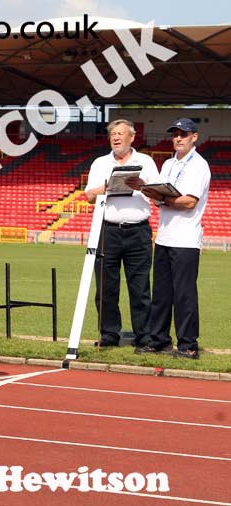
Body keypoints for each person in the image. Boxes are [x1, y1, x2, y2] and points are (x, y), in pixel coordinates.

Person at [137, 118, 211, 359]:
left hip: (186, 239)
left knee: (184, 295)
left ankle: (188, 345)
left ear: (194, 137)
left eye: (183, 134)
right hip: (164, 236)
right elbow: (160, 196)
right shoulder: (168, 163)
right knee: (161, 293)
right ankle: (159, 340)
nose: (178, 138)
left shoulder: (199, 165)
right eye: (175, 134)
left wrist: (164, 199)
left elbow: (189, 202)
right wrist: (151, 192)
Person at [84, 119, 159, 348]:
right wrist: (109, 187)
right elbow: (88, 195)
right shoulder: (100, 163)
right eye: (113, 134)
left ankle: (144, 337)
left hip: (138, 231)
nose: (116, 138)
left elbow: (157, 195)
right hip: (108, 231)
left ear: (132, 137)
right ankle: (109, 335)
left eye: (120, 134)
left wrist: (141, 185)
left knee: (140, 288)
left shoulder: (145, 161)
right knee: (106, 287)